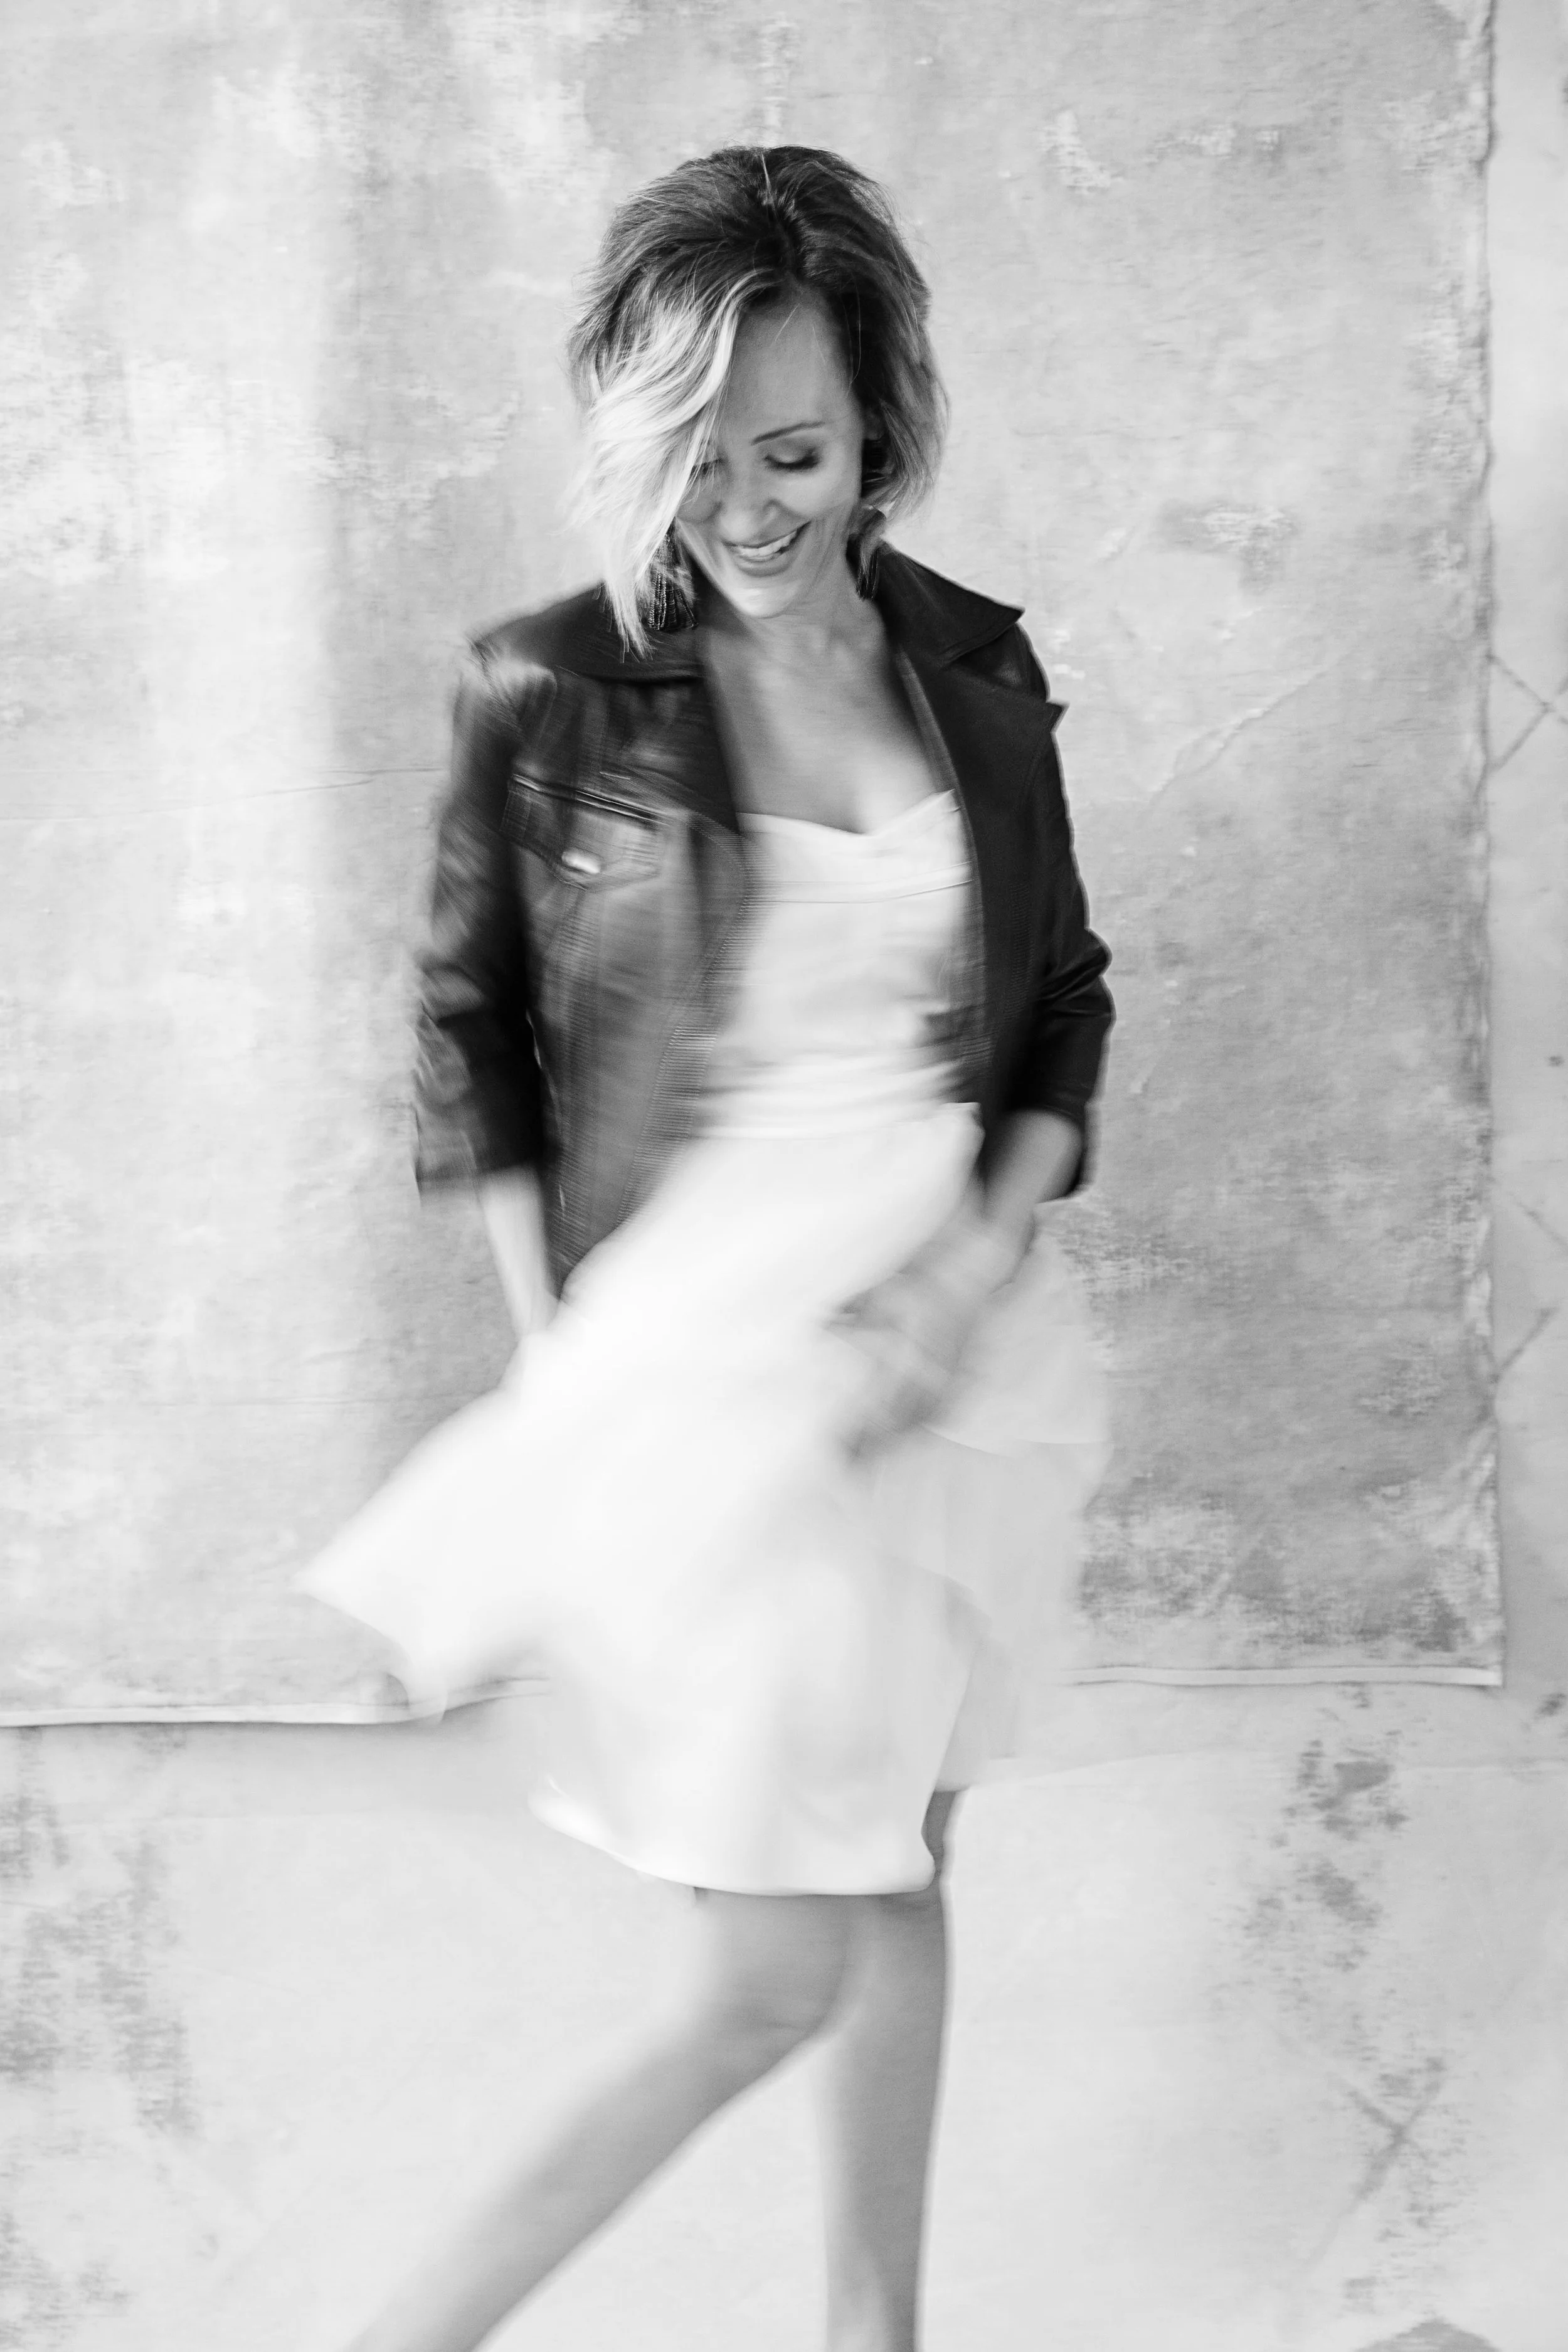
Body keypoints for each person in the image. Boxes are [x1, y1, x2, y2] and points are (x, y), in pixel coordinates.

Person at [300, 144, 1113, 2352]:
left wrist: (963, 1277)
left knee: (904, 1846)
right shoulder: (550, 686)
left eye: (795, 450)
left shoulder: (977, 665)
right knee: (763, 1964)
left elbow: (1061, 1007)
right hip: (714, 1343)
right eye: (696, 456)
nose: (744, 506)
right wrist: (567, 1370)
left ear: (879, 437)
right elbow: (467, 1032)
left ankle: (878, 2337)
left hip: (950, 1327)